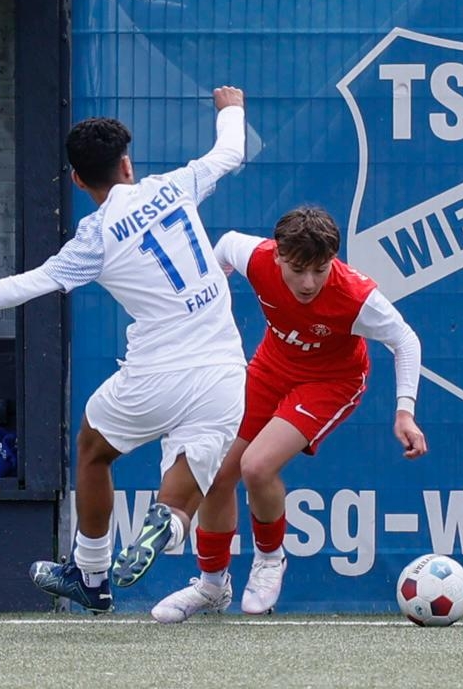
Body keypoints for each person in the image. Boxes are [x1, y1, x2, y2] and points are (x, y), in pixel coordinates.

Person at [0, 86, 250, 614]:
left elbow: (21, 286)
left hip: (154, 375)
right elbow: (231, 152)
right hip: (224, 371)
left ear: (78, 181)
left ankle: (91, 574)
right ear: (127, 164)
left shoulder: (95, 238)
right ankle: (170, 523)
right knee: (186, 478)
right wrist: (231, 108)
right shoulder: (176, 185)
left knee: (93, 447)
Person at [151, 206, 428, 623]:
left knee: (256, 466)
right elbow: (224, 247)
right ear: (278, 255)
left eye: (320, 269)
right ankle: (212, 586)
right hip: (270, 368)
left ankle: (269, 559)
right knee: (217, 473)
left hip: (331, 382)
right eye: (298, 270)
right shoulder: (257, 257)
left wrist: (404, 412)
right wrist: (210, 294)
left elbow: (405, 340)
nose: (309, 282)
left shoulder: (356, 296)